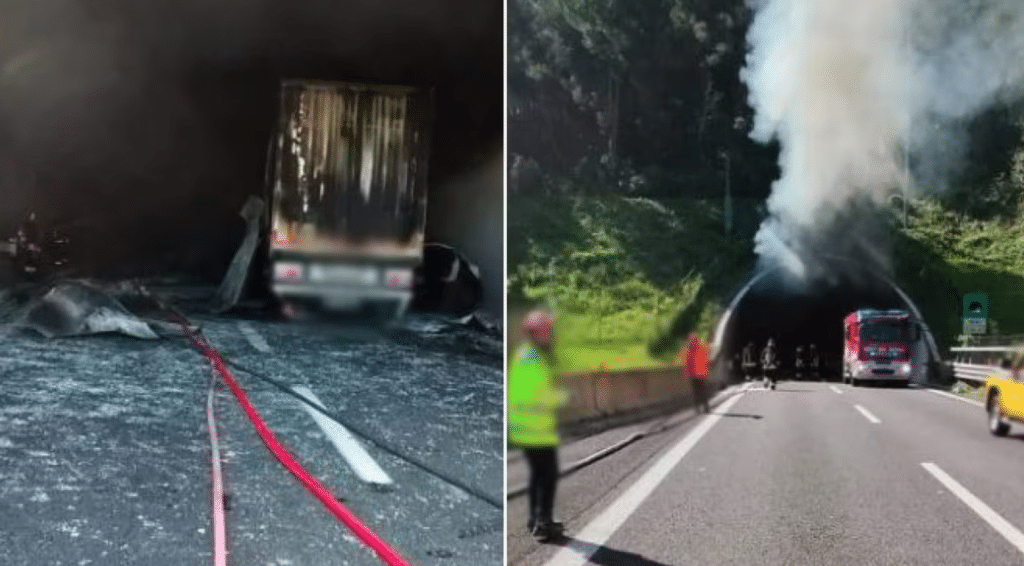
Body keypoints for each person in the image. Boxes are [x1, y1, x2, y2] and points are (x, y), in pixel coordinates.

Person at [508, 309, 566, 541]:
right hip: (536, 429)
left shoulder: (525, 354)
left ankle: (535, 519)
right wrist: (560, 398)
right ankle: (543, 523)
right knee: (548, 475)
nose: (551, 333)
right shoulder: (534, 358)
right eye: (547, 330)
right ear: (538, 332)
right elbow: (536, 394)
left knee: (537, 475)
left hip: (526, 428)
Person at [683, 332, 711, 413]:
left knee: (698, 393)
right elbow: (706, 360)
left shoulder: (690, 349)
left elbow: (705, 360)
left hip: (697, 374)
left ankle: (701, 408)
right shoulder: (698, 348)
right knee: (700, 392)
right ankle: (703, 408)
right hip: (697, 374)